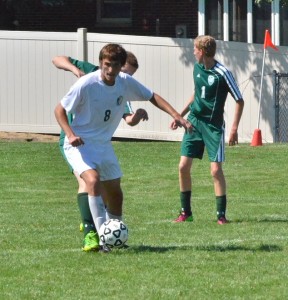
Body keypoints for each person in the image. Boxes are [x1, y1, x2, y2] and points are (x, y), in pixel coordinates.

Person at [54, 43, 192, 252]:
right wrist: (71, 135)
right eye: (107, 65)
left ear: (121, 66)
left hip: (103, 144)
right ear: (101, 63)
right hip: (79, 143)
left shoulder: (125, 82)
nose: (110, 70)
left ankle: (114, 233)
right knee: (92, 180)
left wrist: (177, 115)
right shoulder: (86, 83)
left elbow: (152, 96)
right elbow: (59, 110)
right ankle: (100, 239)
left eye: (115, 66)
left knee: (115, 194)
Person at [53, 52, 149, 252]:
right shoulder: (94, 73)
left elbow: (128, 119)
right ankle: (90, 233)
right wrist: (74, 70)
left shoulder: (120, 85)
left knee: (104, 189)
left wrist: (138, 116)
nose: (123, 77)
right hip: (72, 137)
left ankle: (104, 230)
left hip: (97, 143)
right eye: (125, 72)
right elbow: (58, 59)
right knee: (88, 181)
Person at [170, 35, 244, 225]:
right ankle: (186, 213)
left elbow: (239, 100)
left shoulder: (223, 73)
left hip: (213, 126)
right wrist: (179, 116)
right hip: (193, 122)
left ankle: (221, 216)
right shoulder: (196, 68)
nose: (193, 52)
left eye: (195, 49)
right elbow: (196, 93)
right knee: (183, 167)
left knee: (215, 171)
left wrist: (234, 129)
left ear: (202, 52)